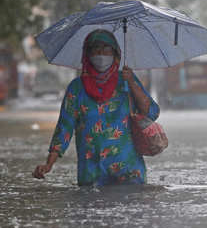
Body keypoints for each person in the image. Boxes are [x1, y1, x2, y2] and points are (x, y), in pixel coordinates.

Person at [32, 29, 160, 186]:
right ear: (87, 54)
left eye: (107, 49)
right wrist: (49, 164)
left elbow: (152, 112)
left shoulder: (126, 81)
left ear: (115, 54)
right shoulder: (77, 88)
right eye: (96, 49)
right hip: (91, 172)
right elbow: (64, 128)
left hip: (129, 171)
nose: (101, 54)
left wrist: (132, 82)